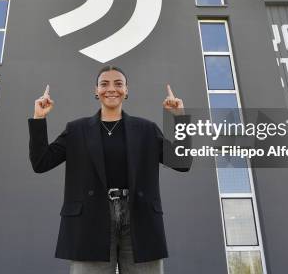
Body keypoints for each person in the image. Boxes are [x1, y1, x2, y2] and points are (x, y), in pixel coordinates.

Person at [28, 65, 192, 274]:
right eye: (104, 84)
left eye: (118, 83)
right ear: (96, 91)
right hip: (90, 219)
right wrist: (39, 118)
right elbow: (41, 163)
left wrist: (179, 118)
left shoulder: (146, 129)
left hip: (139, 219)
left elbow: (183, 162)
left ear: (127, 90)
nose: (111, 89)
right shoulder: (76, 130)